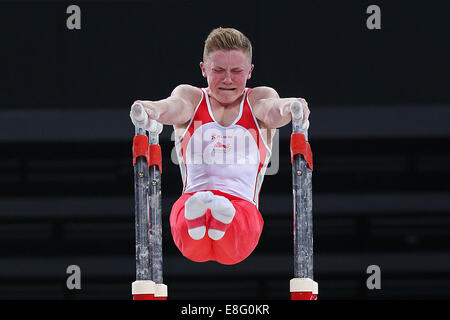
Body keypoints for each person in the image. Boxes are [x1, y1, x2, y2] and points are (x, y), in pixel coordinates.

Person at [130, 27, 310, 265]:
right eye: (218, 70)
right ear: (204, 69)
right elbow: (173, 105)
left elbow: (272, 110)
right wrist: (152, 110)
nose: (227, 79)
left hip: (241, 208)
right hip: (193, 197)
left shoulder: (258, 99)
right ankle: (199, 218)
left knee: (239, 223)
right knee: (183, 217)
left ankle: (220, 217)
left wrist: (291, 106)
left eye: (236, 71)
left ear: (250, 72)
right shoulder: (192, 99)